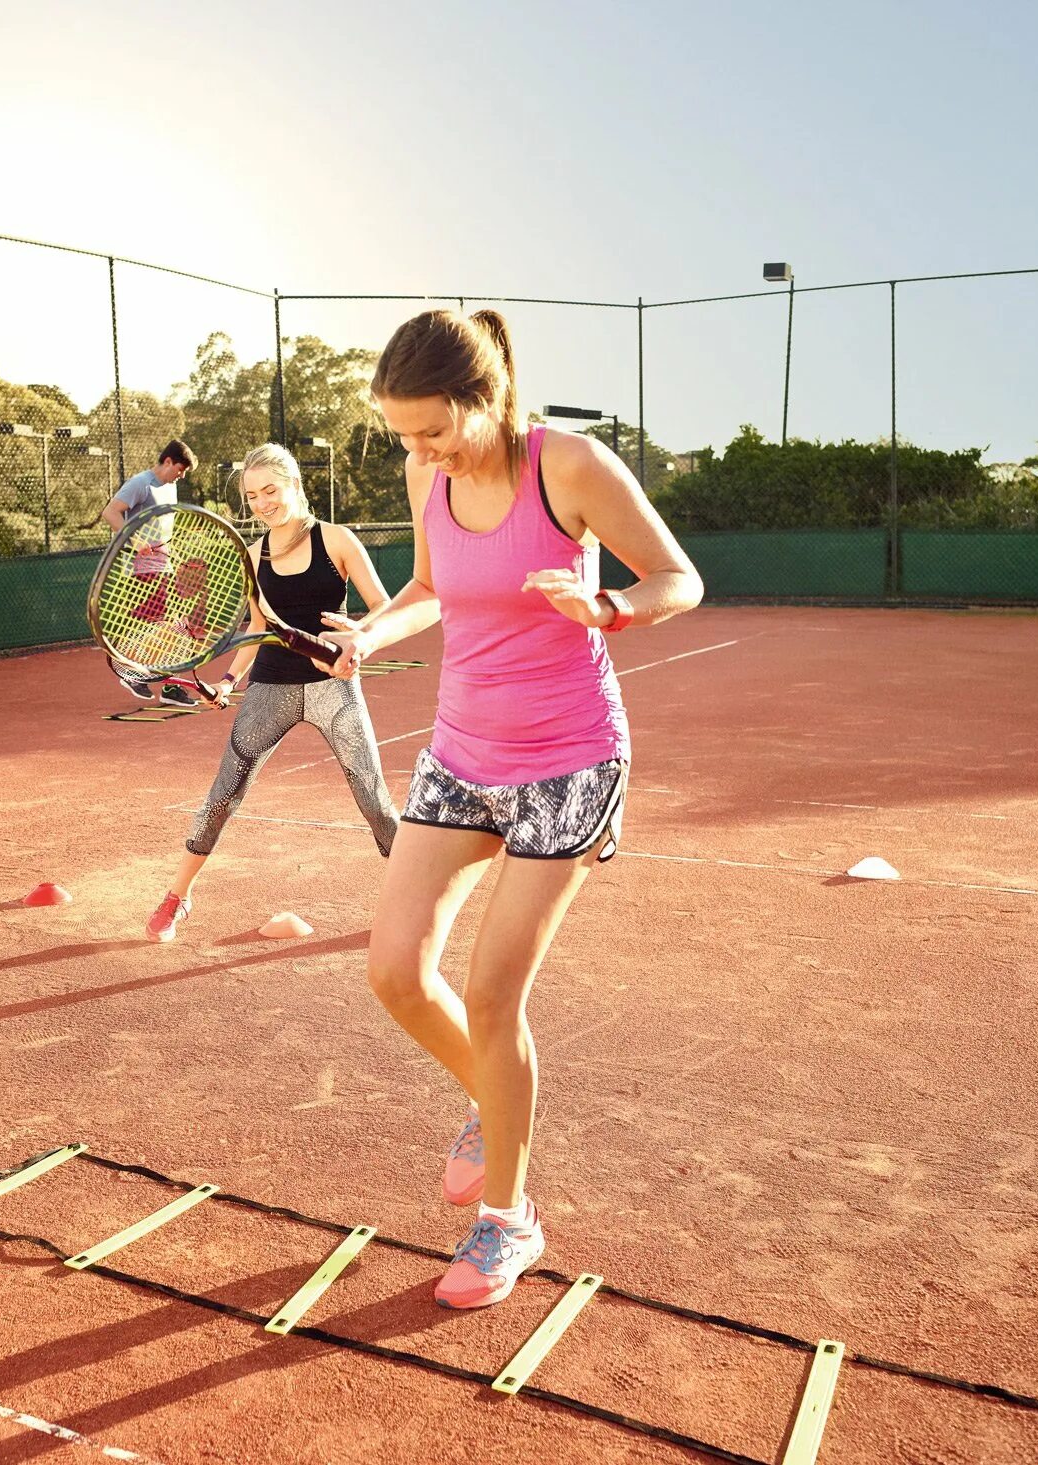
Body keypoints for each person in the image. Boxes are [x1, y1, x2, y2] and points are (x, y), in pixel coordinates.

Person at [322, 310, 703, 1308]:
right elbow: (427, 586)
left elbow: (680, 577)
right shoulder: (426, 472)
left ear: (487, 399)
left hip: (569, 760)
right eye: (404, 436)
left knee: (493, 997)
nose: (420, 451)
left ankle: (508, 1220)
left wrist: (610, 608)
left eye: (435, 430)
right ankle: (493, 1103)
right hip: (461, 751)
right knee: (395, 971)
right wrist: (371, 631)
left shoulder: (567, 466)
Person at [145, 444, 399, 942]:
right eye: (252, 495)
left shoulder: (338, 540)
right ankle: (179, 896)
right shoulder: (254, 554)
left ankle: (415, 903)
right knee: (224, 794)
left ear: (294, 486)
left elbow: (384, 607)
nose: (262, 503)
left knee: (374, 800)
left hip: (334, 685)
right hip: (271, 686)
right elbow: (259, 629)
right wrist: (227, 681)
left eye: (270, 491)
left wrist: (359, 630)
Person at [100, 440, 199, 707]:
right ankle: (138, 673)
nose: (182, 475)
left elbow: (163, 525)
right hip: (142, 568)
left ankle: (166, 684)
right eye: (180, 469)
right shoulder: (141, 483)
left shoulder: (171, 486)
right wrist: (135, 541)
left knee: (172, 626)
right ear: (167, 461)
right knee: (169, 625)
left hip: (164, 566)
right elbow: (110, 512)